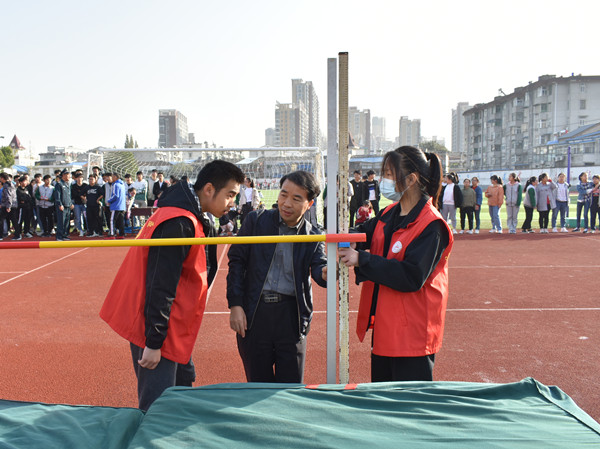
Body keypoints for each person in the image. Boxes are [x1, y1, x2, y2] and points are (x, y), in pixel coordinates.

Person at [100, 160, 245, 411]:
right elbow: (161, 285)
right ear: (209, 189)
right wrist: (154, 343)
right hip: (157, 327)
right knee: (159, 406)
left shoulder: (191, 216)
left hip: (172, 324)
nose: (233, 202)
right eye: (230, 195)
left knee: (181, 389)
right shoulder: (179, 222)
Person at [338, 146, 453, 382]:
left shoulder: (432, 225)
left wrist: (362, 259)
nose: (384, 181)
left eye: (390, 174)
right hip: (386, 328)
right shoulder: (389, 213)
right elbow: (360, 235)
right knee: (382, 401)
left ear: (411, 179)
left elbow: (412, 276)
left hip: (413, 334)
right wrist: (331, 244)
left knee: (409, 407)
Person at [227, 170, 327, 383]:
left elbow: (320, 268)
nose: (287, 203)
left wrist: (327, 273)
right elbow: (236, 262)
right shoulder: (256, 221)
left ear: (309, 204)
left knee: (289, 389)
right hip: (255, 313)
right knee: (257, 385)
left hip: (292, 316)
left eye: (296, 198)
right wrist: (235, 304)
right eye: (283, 195)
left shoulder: (313, 235)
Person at [54, 169, 74, 241]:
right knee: (61, 222)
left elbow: (69, 195)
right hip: (62, 206)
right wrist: (60, 204)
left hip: (68, 205)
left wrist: (71, 203)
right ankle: (59, 236)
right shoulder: (59, 184)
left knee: (66, 222)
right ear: (63, 175)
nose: (69, 176)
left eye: (69, 174)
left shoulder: (68, 184)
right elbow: (57, 196)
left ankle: (65, 235)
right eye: (67, 174)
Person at [107, 173, 126, 239]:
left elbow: (116, 195)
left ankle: (112, 234)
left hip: (116, 206)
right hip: (122, 206)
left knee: (112, 220)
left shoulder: (115, 185)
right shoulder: (122, 184)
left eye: (112, 177)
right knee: (121, 220)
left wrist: (109, 201)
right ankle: (121, 234)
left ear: (115, 177)